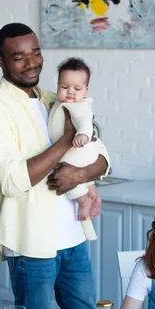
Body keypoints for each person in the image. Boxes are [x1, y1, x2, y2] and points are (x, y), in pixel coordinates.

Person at [0, 23, 110, 309]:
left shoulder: (55, 98)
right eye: (19, 57)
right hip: (29, 245)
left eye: (36, 53)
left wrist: (81, 175)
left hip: (73, 240)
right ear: (1, 61)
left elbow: (101, 155)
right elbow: (12, 181)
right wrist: (67, 140)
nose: (31, 63)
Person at [48, 57, 101, 222]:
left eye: (77, 88)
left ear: (86, 90)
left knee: (64, 172)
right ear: (57, 85)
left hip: (78, 149)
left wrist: (83, 134)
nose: (70, 92)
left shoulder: (78, 106)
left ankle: (83, 201)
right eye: (64, 87)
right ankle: (93, 195)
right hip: (83, 152)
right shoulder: (61, 103)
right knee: (82, 177)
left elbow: (84, 120)